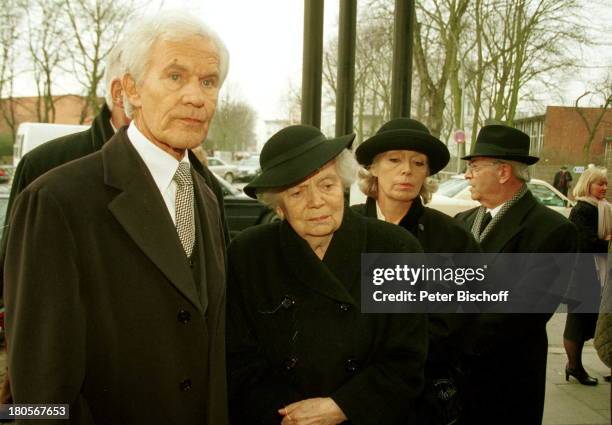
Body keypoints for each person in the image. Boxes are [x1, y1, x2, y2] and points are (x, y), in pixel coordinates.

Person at [4, 12, 230, 424]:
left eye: (209, 81)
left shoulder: (206, 195)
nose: (196, 97)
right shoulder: (55, 199)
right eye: (176, 77)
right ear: (131, 90)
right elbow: (37, 383)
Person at [226, 125, 428, 425]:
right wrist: (290, 416)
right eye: (297, 192)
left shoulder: (396, 249)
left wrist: (343, 406)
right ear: (279, 208)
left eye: (327, 185)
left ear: (343, 186)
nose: (316, 201)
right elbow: (237, 358)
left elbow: (406, 359)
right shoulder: (249, 254)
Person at [352, 118, 480, 424]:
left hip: (422, 396)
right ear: (374, 167)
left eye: (418, 162)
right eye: (394, 160)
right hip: (350, 392)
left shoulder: (452, 237)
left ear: (427, 173)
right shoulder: (344, 228)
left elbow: (456, 321)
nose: (406, 170)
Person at [455, 124, 578, 425]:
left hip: (506, 382)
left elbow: (524, 312)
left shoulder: (552, 230)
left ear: (503, 172)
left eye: (474, 167)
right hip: (456, 383)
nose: (466, 175)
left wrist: (448, 335)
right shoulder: (461, 221)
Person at [563, 167, 611, 385]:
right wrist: (608, 241)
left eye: (606, 183)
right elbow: (585, 243)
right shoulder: (582, 209)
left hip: (597, 272)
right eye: (600, 183)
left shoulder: (603, 208)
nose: (604, 188)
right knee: (577, 321)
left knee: (592, 320)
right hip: (581, 273)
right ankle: (574, 366)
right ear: (588, 184)